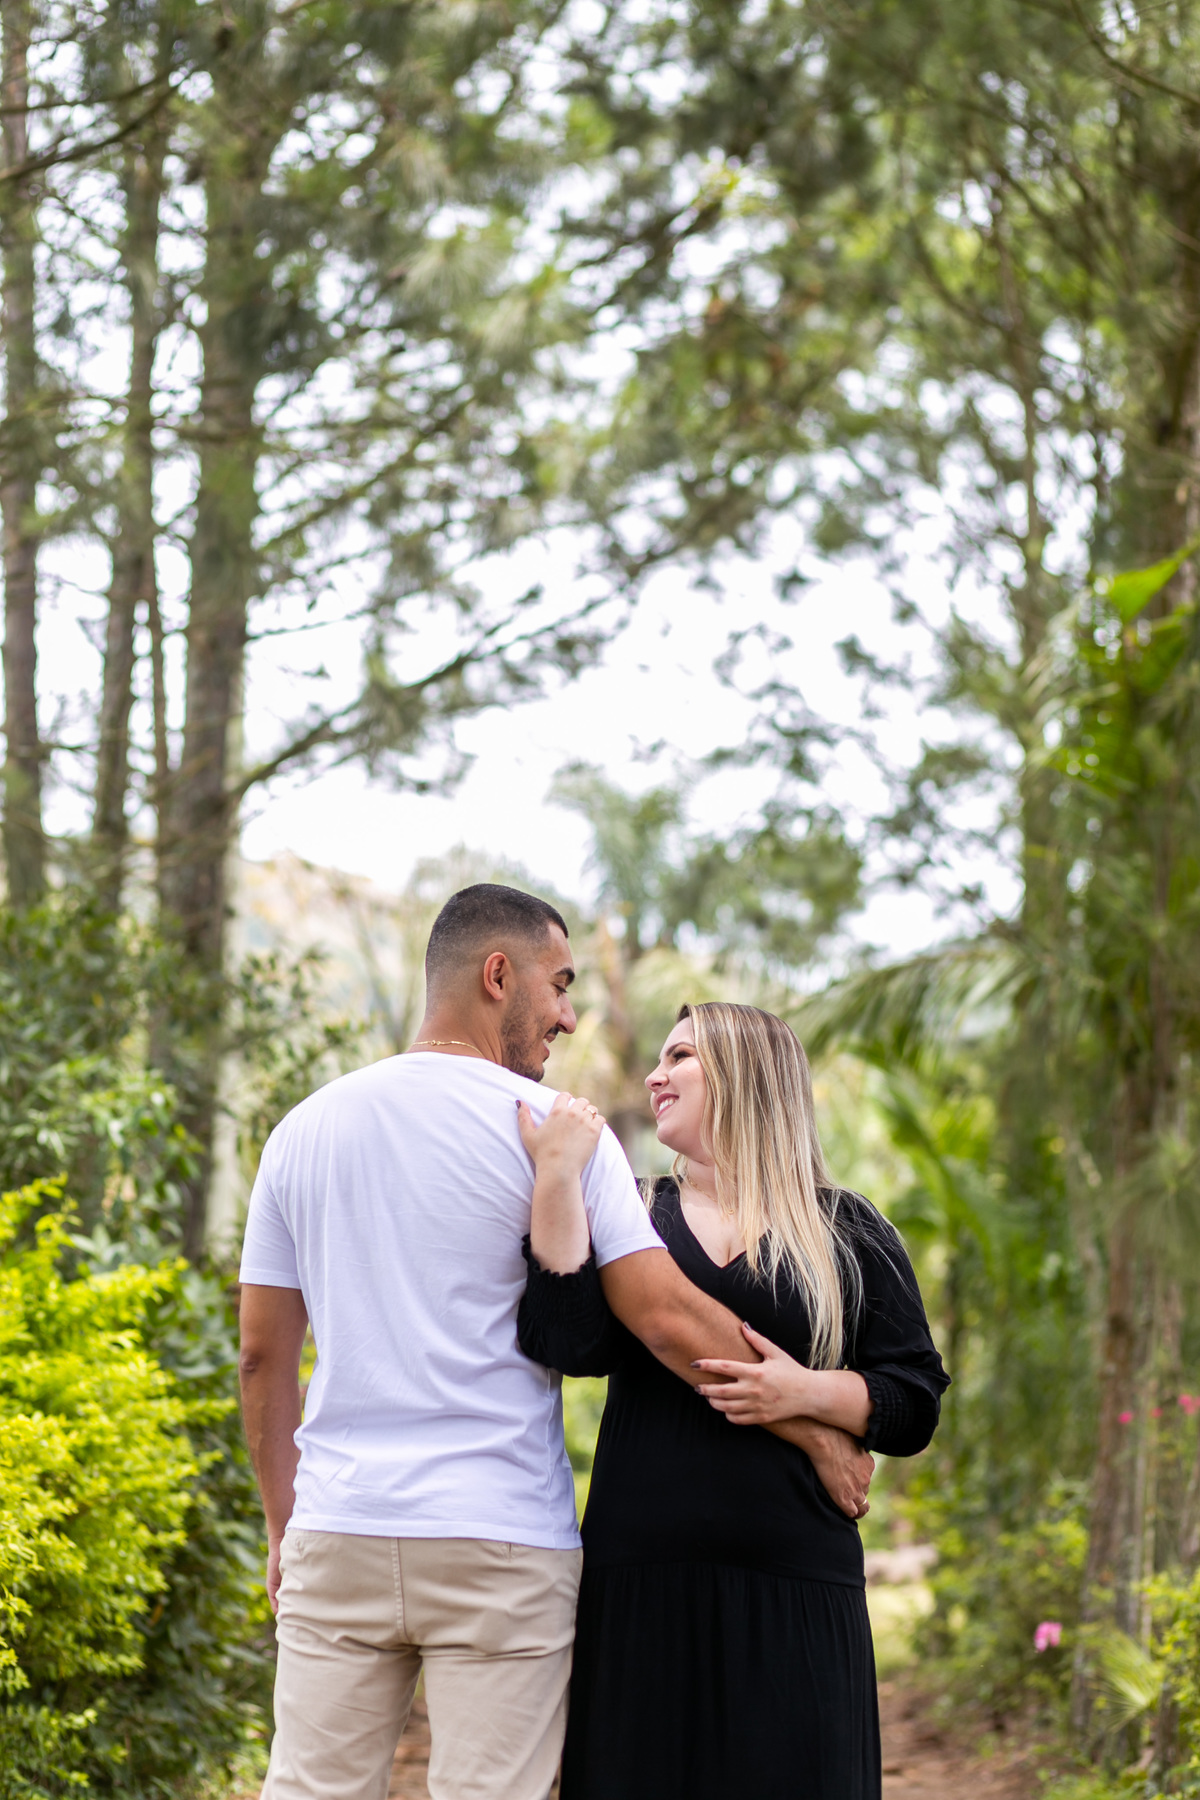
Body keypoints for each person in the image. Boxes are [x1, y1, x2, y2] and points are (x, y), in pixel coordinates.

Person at [238, 887, 874, 1800]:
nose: (570, 1017)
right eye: (561, 984)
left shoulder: (302, 1131)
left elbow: (263, 1358)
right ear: (498, 976)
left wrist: (282, 1525)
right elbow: (664, 1316)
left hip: (340, 1526)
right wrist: (814, 1431)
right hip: (499, 1538)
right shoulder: (558, 1134)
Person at [517, 1001, 950, 1800]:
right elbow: (567, 1345)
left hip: (798, 1585)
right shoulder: (631, 1208)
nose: (655, 1076)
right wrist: (557, 1180)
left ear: (747, 1074)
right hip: (640, 1582)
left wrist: (803, 1391)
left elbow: (914, 1402)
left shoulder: (847, 1229)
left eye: (680, 1057)